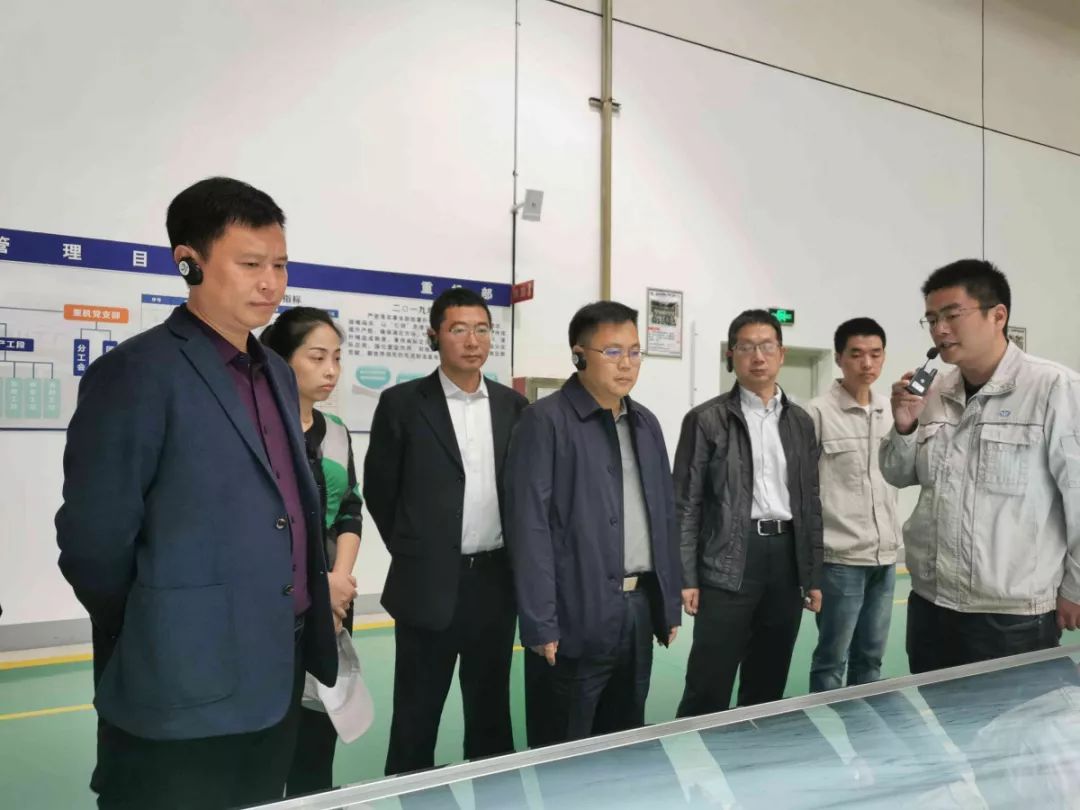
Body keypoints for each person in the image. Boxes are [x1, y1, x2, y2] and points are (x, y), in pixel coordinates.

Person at [55, 177, 338, 809]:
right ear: (189, 262)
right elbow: (94, 542)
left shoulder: (273, 372)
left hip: (276, 667)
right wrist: (163, 622)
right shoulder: (137, 372)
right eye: (250, 265)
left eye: (280, 265)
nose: (271, 283)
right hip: (179, 680)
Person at [880, 258, 1080, 673]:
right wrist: (904, 426)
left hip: (1011, 615)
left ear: (998, 316)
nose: (940, 329)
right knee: (939, 712)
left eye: (952, 315)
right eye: (931, 319)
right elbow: (898, 475)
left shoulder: (1053, 389)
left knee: (1012, 716)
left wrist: (1075, 589)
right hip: (932, 605)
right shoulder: (934, 392)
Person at [363, 287, 528, 775]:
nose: (473, 341)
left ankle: (494, 797)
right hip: (427, 583)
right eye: (459, 329)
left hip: (495, 581)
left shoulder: (513, 407)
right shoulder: (402, 404)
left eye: (482, 329)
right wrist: (418, 552)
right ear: (434, 335)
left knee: (491, 713)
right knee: (416, 716)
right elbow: (380, 491)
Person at [505, 301, 681, 746]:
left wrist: (668, 602)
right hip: (573, 614)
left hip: (637, 610)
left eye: (635, 352)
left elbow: (664, 515)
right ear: (579, 355)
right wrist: (540, 623)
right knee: (564, 746)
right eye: (613, 352)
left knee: (624, 742)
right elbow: (528, 528)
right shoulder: (544, 421)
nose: (627, 364)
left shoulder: (645, 424)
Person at [675, 309, 823, 717]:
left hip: (786, 559)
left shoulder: (800, 422)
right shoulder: (706, 419)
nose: (758, 356)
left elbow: (810, 502)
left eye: (767, 346)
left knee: (768, 679)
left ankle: (757, 753)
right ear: (732, 356)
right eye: (746, 347)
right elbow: (686, 503)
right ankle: (697, 751)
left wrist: (812, 573)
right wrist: (686, 576)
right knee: (709, 680)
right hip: (728, 558)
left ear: (781, 354)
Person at [260, 306, 362, 796]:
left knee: (321, 730)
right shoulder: (259, 431)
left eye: (336, 358)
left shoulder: (336, 430)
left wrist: (339, 578)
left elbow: (350, 510)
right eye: (317, 357)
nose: (331, 370)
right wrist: (317, 585)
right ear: (283, 361)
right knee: (270, 735)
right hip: (277, 600)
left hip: (335, 600)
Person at [805, 318, 902, 692]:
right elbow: (801, 488)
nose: (867, 364)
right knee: (832, 660)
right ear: (839, 358)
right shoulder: (816, 413)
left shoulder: (891, 411)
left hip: (885, 557)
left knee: (871, 657)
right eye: (857, 354)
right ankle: (825, 721)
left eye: (875, 354)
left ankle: (865, 725)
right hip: (839, 559)